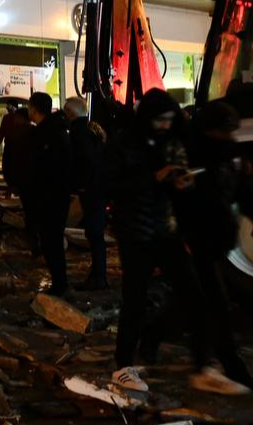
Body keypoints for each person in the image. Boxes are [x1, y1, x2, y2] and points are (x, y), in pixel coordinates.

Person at [104, 89, 247, 396]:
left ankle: (201, 368)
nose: (165, 126)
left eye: (169, 120)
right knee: (135, 300)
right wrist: (154, 178)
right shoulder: (124, 142)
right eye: (160, 120)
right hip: (135, 234)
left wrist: (181, 183)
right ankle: (122, 366)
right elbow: (110, 185)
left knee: (195, 296)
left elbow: (181, 183)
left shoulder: (170, 142)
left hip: (165, 231)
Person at [178, 101, 253, 390]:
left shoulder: (229, 156)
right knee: (213, 305)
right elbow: (186, 203)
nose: (231, 136)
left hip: (219, 238)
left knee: (202, 302)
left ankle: (154, 336)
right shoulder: (195, 156)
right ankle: (224, 366)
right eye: (226, 131)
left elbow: (241, 194)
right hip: (198, 241)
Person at [27, 92, 73, 296]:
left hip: (50, 197)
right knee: (51, 240)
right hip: (55, 196)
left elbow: (43, 169)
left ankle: (60, 284)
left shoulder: (47, 134)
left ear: (34, 109)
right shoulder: (57, 130)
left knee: (51, 241)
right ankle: (59, 282)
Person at [65, 97, 109, 291]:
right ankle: (98, 273)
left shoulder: (78, 133)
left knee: (94, 233)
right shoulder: (94, 130)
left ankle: (99, 277)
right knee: (95, 233)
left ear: (70, 113)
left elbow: (84, 162)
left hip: (90, 189)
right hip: (99, 188)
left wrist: (80, 186)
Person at [0, 101, 39, 254]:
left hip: (22, 179)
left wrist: (10, 181)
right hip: (36, 180)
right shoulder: (37, 132)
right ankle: (38, 244)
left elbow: (7, 160)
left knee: (30, 213)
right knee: (35, 212)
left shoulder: (14, 135)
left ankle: (34, 244)